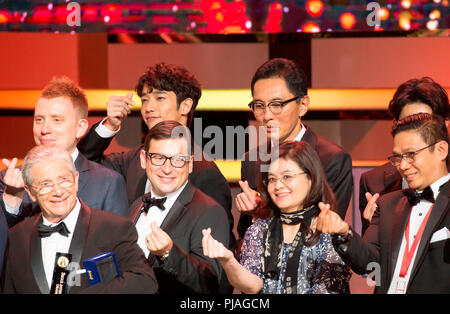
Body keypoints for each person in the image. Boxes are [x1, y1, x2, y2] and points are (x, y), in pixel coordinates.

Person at [76, 62, 234, 244]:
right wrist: (110, 125)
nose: (148, 108)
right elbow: (83, 165)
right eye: (144, 100)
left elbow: (218, 252)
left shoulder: (205, 173)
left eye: (160, 98)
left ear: (185, 106)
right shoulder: (133, 159)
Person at [318, 113, 450, 294]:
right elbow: (369, 264)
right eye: (398, 157)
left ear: (441, 150)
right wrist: (343, 232)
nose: (403, 166)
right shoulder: (388, 204)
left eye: (411, 155)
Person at [2, 145, 158, 293]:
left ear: (76, 180)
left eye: (64, 180)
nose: (58, 191)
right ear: (30, 192)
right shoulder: (18, 236)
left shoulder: (113, 228)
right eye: (45, 184)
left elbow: (144, 282)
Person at [202, 141, 351, 294]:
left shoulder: (328, 229)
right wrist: (228, 261)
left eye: (287, 176)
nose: (278, 186)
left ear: (311, 177)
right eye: (272, 179)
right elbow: (253, 286)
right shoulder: (258, 229)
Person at [237, 58, 353, 240]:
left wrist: (262, 211)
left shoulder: (333, 159)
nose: (266, 116)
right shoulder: (252, 160)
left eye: (276, 105)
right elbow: (245, 233)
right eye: (259, 106)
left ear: (303, 105)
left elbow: (324, 231)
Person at [0, 77, 129, 227]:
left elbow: (118, 241)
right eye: (39, 119)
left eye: (57, 120)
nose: (45, 129)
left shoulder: (107, 182)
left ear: (80, 128)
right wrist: (12, 198)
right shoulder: (9, 179)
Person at [128, 120, 231, 294]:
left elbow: (211, 283)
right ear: (144, 160)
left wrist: (168, 253)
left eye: (177, 159)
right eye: (159, 158)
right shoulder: (136, 205)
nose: (167, 169)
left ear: (190, 164)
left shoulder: (209, 211)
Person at [360, 77, 450, 235]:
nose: (413, 129)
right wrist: (374, 228)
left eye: (422, 122)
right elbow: (371, 257)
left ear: (445, 125)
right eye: (406, 122)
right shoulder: (374, 183)